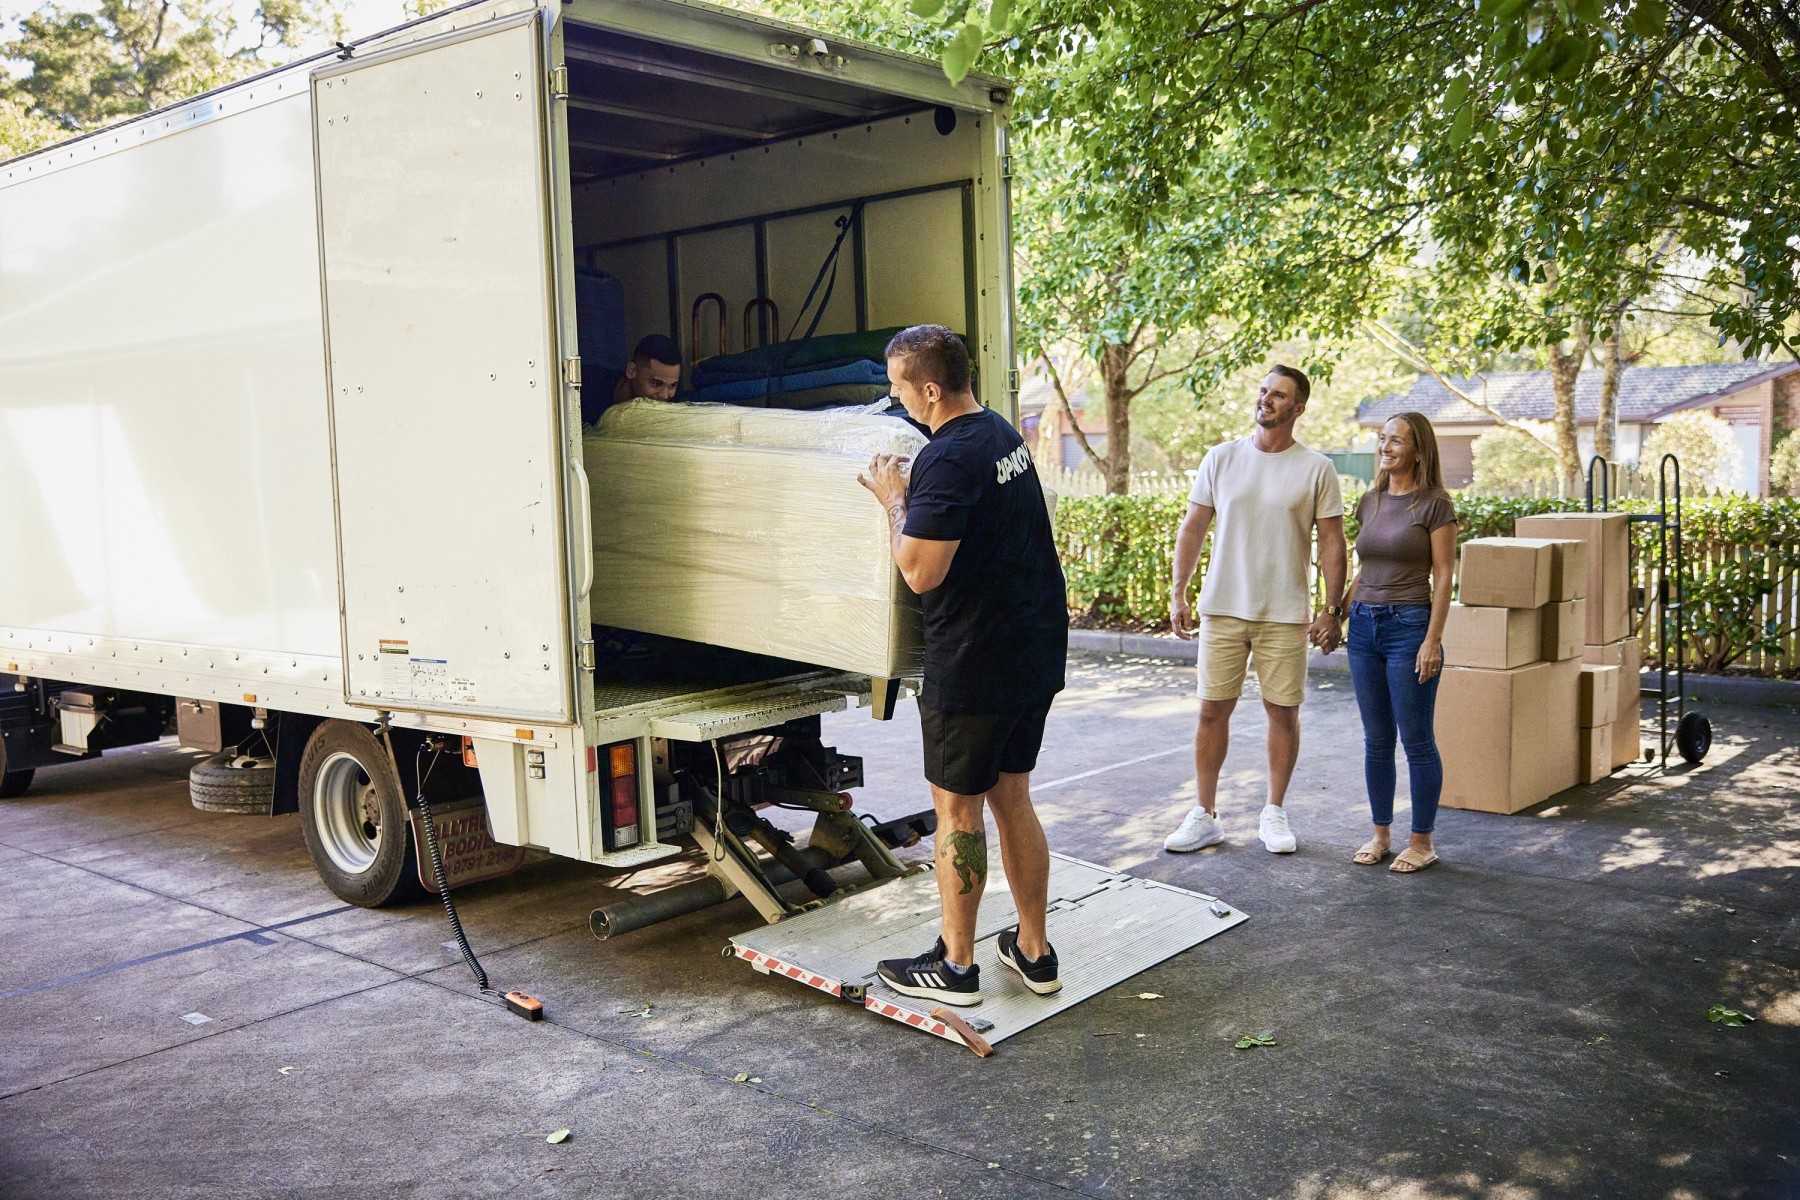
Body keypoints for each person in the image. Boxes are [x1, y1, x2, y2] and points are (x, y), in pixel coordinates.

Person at [856, 325, 1068, 1007]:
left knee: (958, 813)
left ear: (928, 388)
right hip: (1030, 652)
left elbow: (921, 571)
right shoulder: (999, 433)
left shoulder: (947, 459)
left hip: (974, 665)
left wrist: (894, 499)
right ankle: (1034, 952)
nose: (894, 400)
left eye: (897, 388)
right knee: (1013, 798)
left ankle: (955, 966)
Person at [1164, 366, 1347, 855]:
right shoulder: (1221, 458)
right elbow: (1193, 528)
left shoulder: (1316, 468)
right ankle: (1204, 815)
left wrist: (1332, 609)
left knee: (1282, 713)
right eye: (1263, 391)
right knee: (1210, 712)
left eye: (1279, 395)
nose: (1266, 400)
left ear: (1299, 408)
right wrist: (1178, 593)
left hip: (1285, 613)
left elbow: (1333, 543)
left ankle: (1274, 813)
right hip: (1223, 607)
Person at [1335, 413, 1457, 873]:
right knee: (1376, 739)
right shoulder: (1371, 500)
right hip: (1365, 627)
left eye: (1396, 442)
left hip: (1410, 627)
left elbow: (1444, 575)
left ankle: (1422, 842)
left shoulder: (1434, 503)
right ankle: (1381, 834)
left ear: (1418, 451)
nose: (1385, 448)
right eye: (1382, 439)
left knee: (1417, 740)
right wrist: (1337, 613)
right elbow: (1367, 568)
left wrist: (1433, 639)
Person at [611, 334, 682, 408]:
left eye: (672, 385)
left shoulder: (677, 404)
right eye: (656, 383)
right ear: (631, 371)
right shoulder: (600, 394)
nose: (664, 395)